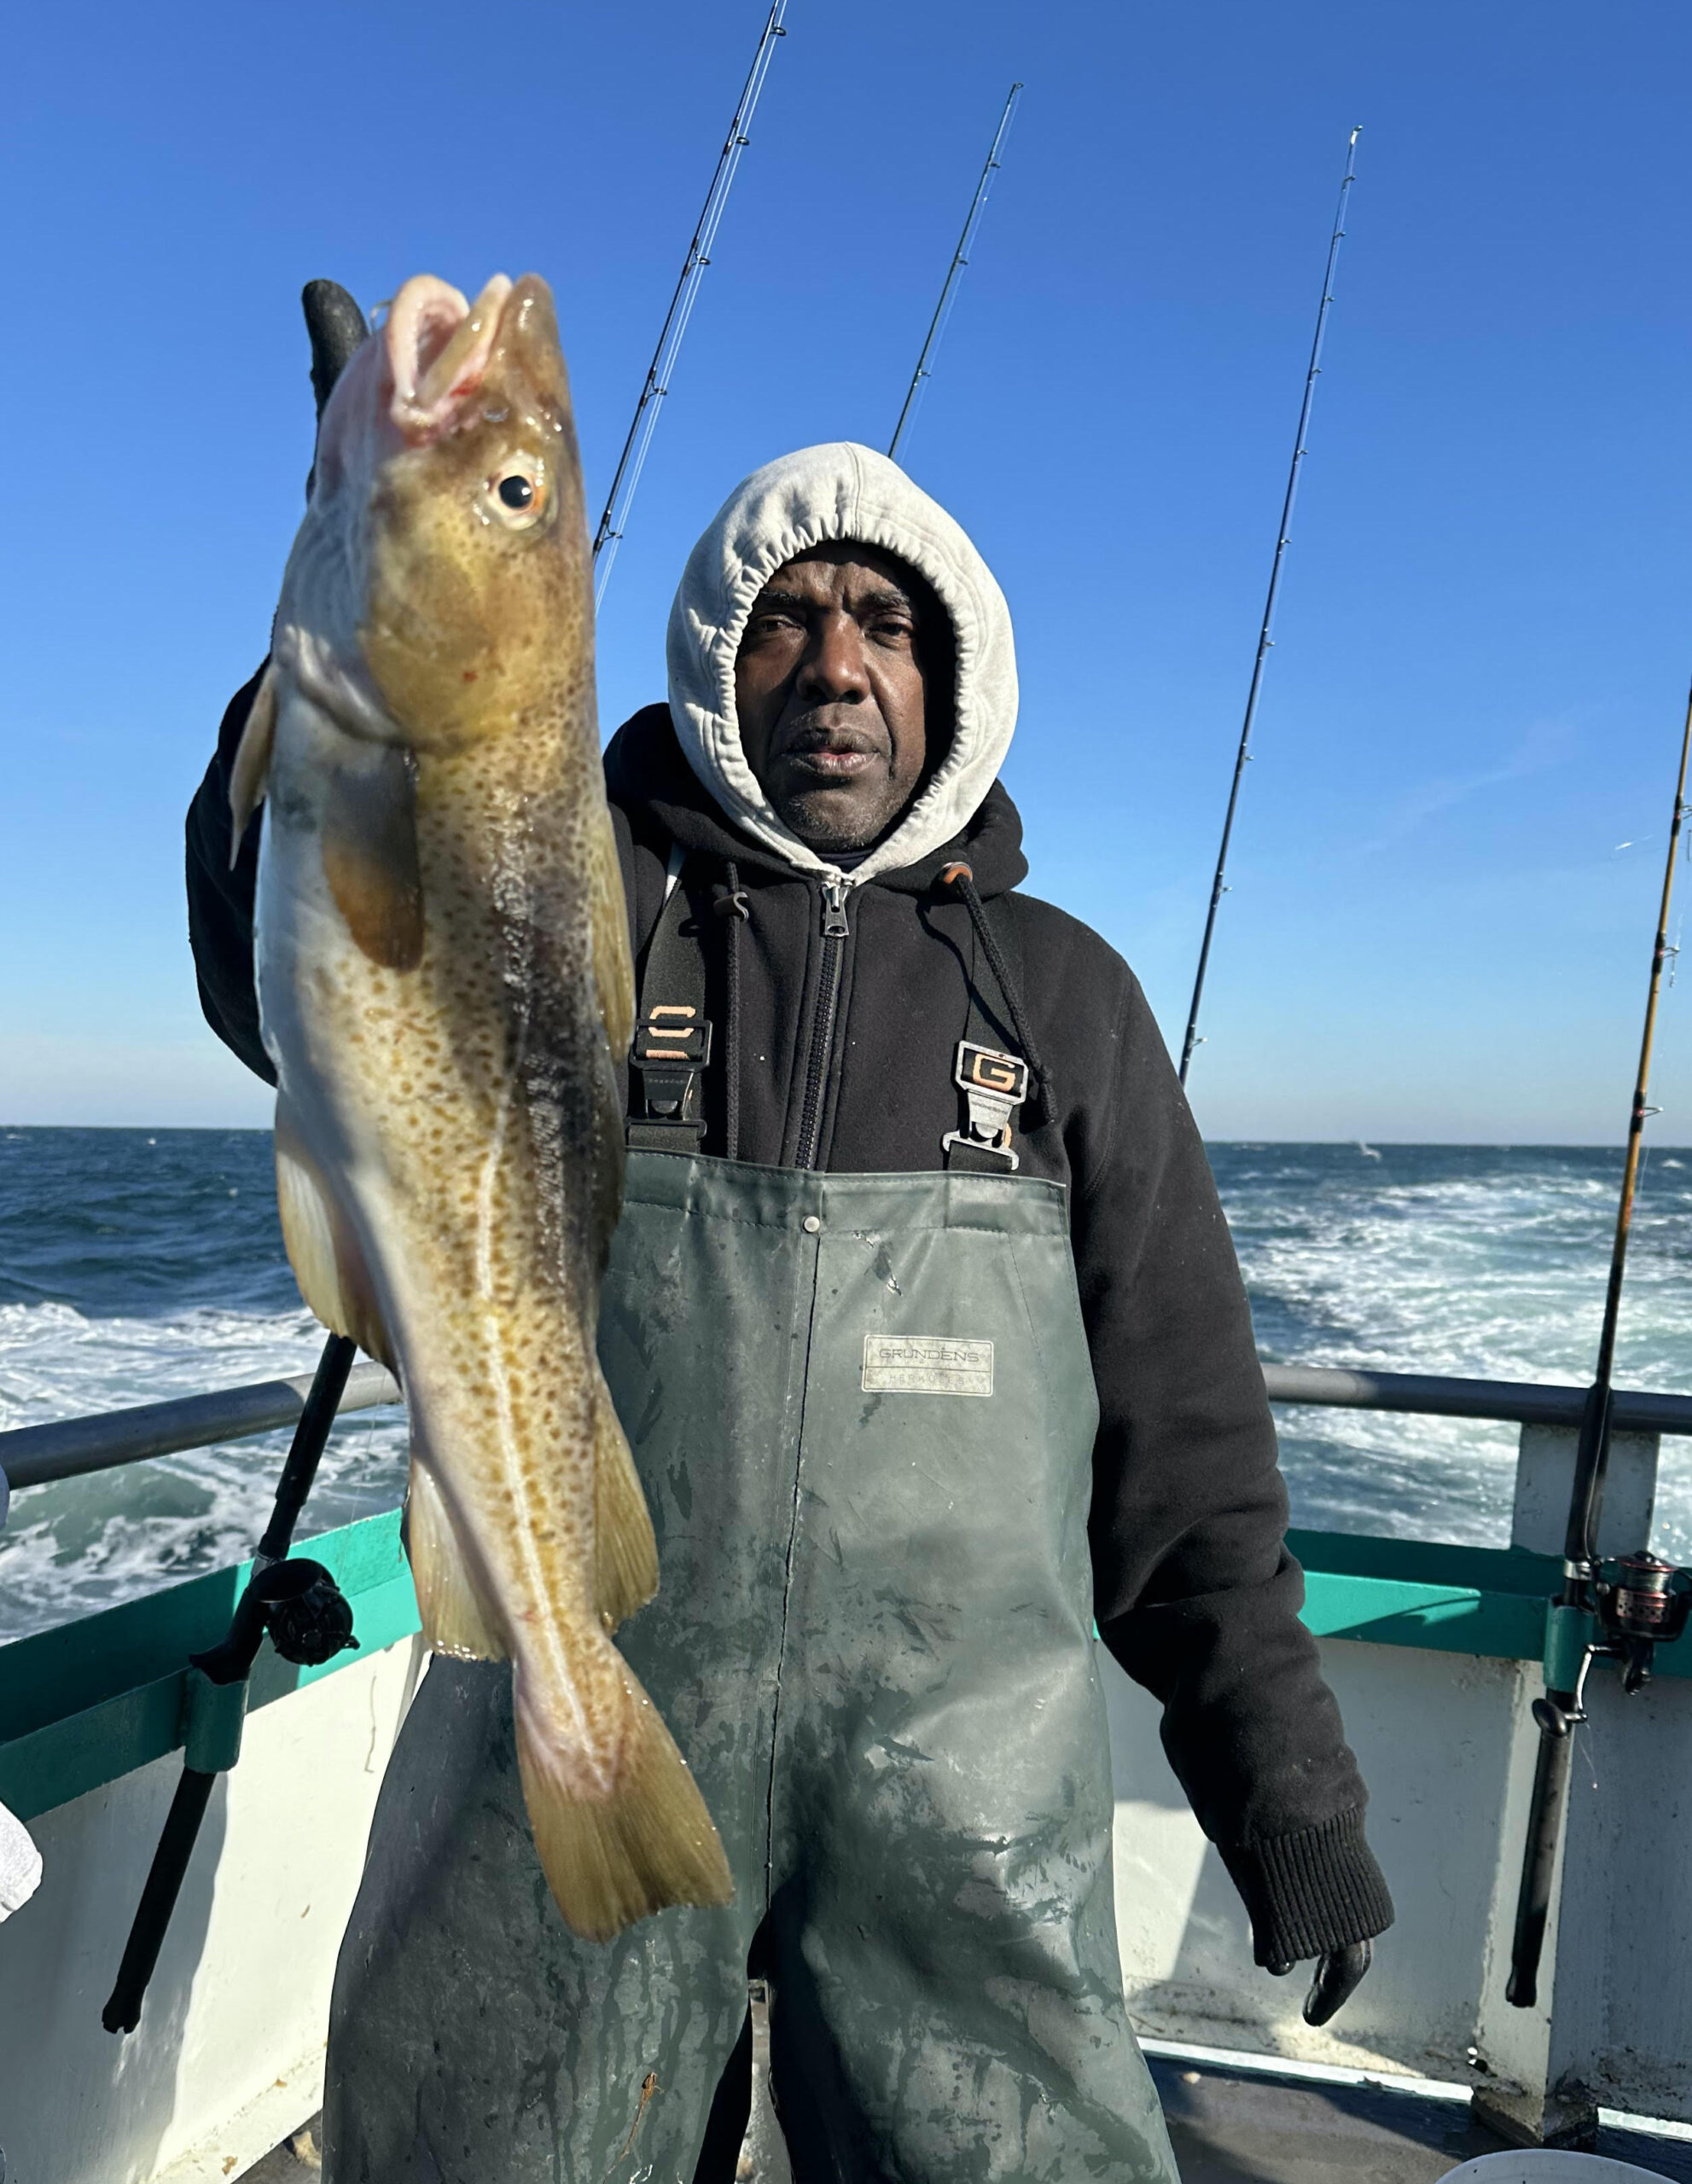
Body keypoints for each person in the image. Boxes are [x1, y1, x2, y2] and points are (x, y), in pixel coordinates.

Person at [187, 411, 1392, 2179]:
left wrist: (1289, 1802)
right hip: (559, 1754)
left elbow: (1187, 1454)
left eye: (882, 625)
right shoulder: (581, 896)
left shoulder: (1063, 999)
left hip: (964, 1818)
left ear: (949, 671)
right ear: (710, 659)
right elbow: (310, 960)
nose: (834, 664)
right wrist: (355, 566)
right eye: (784, 621)